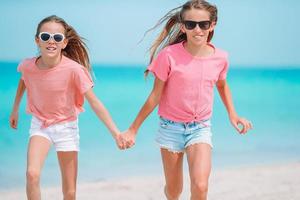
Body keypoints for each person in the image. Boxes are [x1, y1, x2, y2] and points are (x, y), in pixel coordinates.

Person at [121, 1, 253, 199]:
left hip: (200, 128)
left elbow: (222, 85)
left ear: (213, 25)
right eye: (191, 24)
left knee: (200, 186)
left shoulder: (221, 58)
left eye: (203, 24)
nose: (197, 29)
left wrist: (233, 115)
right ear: (183, 26)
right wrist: (133, 129)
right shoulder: (168, 56)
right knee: (174, 191)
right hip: (170, 128)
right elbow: (155, 95)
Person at [9, 15, 124, 200]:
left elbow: (95, 102)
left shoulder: (74, 70)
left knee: (69, 192)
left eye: (57, 37)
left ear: (64, 43)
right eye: (46, 36)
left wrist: (116, 133)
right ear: (38, 41)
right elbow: (24, 79)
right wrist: (15, 108)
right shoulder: (28, 65)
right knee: (32, 174)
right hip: (41, 124)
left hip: (67, 127)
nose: (51, 41)